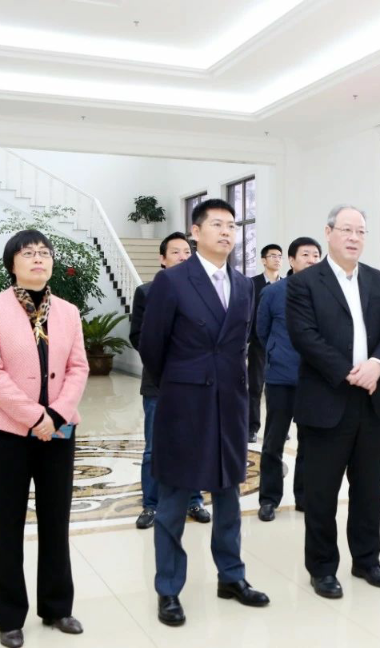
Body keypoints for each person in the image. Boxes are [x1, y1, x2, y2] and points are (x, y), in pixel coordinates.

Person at [139, 198, 270, 627]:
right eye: (217, 224)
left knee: (229, 495)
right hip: (184, 403)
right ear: (195, 232)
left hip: (229, 402)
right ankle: (168, 589)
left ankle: (231, 577)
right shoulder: (172, 281)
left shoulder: (244, 285)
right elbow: (152, 346)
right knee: (174, 501)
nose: (227, 232)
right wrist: (184, 381)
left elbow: (242, 344)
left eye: (232, 225)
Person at [0, 230, 89, 648]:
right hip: (8, 433)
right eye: (28, 253)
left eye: (44, 253)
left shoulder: (68, 312)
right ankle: (9, 616)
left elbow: (78, 367)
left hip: (59, 430)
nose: (38, 259)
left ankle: (57, 607)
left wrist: (55, 415)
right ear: (12, 264)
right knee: (6, 526)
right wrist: (35, 416)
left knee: (56, 520)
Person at [286, 204, 380, 600]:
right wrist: (349, 372)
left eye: (361, 231)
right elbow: (304, 336)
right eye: (347, 230)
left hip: (372, 398)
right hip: (327, 397)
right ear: (329, 232)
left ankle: (367, 560)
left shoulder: (377, 279)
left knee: (369, 488)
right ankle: (322, 568)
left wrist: (377, 365)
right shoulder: (305, 282)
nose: (354, 237)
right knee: (321, 491)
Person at [129, 232, 211, 530]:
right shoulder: (146, 292)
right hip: (159, 383)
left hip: (195, 384)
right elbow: (138, 337)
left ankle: (194, 500)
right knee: (155, 448)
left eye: (187, 252)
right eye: (175, 252)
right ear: (162, 259)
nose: (183, 257)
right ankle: (151, 505)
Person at [256, 237, 322, 522]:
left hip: (314, 379)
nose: (311, 259)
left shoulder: (326, 292)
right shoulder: (273, 293)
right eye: (305, 254)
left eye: (316, 255)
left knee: (310, 441)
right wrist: (277, 352)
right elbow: (261, 331)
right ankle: (269, 499)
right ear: (292, 261)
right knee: (274, 441)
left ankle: (304, 497)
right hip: (281, 378)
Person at [248, 244, 283, 443]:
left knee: (276, 389)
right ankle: (251, 428)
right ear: (263, 260)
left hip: (279, 346)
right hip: (258, 345)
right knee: (255, 387)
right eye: (273, 256)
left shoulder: (286, 285)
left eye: (279, 256)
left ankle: (277, 428)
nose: (277, 259)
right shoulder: (252, 284)